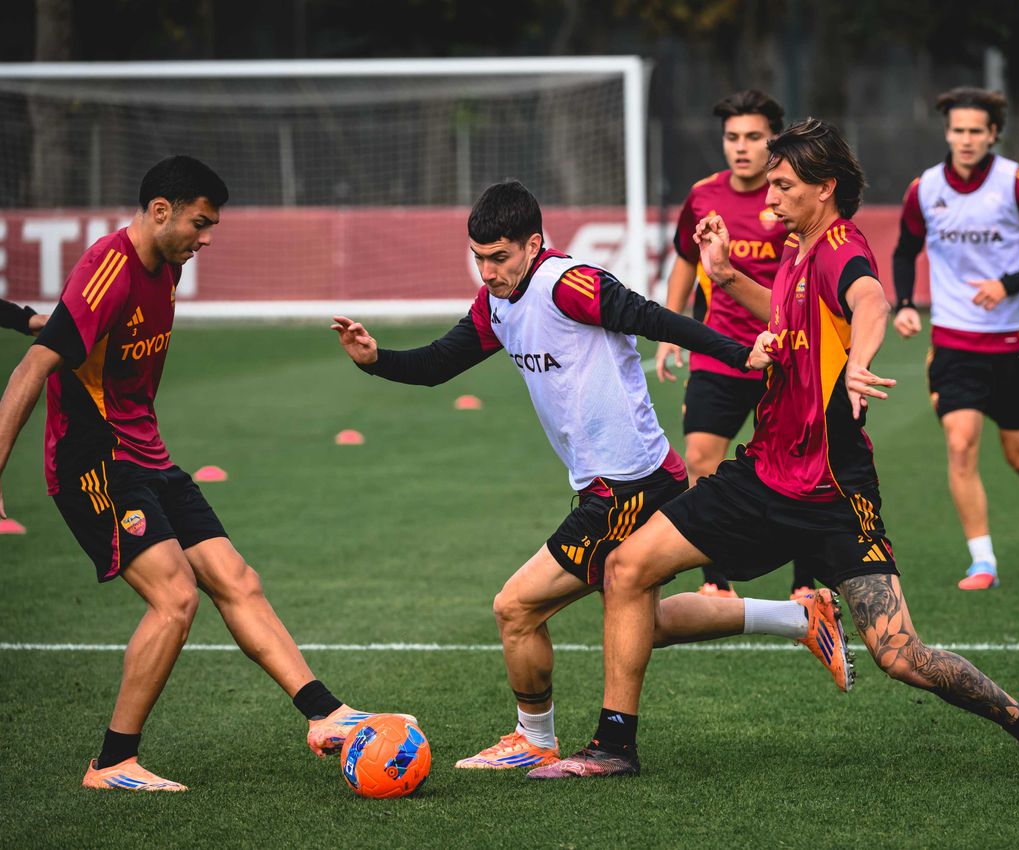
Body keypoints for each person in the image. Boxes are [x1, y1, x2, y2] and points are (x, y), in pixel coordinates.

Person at [528, 120, 1019, 783]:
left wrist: (860, 362)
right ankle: (613, 746)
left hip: (834, 493)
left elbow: (870, 300)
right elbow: (785, 315)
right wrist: (725, 275)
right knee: (627, 568)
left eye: (782, 185)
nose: (769, 197)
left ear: (824, 187)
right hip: (763, 473)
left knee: (900, 655)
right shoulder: (798, 248)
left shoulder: (839, 249)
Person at [332, 180, 853, 772]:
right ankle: (800, 617)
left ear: (533, 244)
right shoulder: (496, 302)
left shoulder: (570, 284)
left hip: (628, 486)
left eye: (499, 257)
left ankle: (534, 737)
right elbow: (437, 364)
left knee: (515, 608)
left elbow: (654, 318)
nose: (488, 272)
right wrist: (376, 360)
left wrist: (740, 354)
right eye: (478, 259)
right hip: (619, 482)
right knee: (646, 622)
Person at [0, 155, 409, 792]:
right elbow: (33, 367)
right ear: (161, 211)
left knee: (236, 579)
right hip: (94, 460)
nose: (208, 237)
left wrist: (29, 317)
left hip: (148, 454)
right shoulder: (109, 265)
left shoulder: (165, 265)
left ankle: (325, 714)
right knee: (176, 597)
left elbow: (84, 327)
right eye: (200, 222)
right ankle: (112, 763)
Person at [892, 87, 1019, 590]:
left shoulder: (1016, 183)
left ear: (993, 134)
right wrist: (904, 303)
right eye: (958, 130)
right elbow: (905, 249)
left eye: (976, 130)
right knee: (960, 444)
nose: (966, 139)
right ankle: (982, 561)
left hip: (1013, 341)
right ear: (947, 133)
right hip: (953, 340)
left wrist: (1007, 285)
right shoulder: (925, 188)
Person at [655, 89, 820, 601]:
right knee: (700, 460)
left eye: (753, 137)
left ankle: (805, 583)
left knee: (798, 469)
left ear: (774, 139)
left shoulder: (791, 194)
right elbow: (686, 260)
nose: (741, 147)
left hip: (788, 355)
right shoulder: (703, 195)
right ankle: (715, 580)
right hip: (720, 351)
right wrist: (670, 330)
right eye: (732, 137)